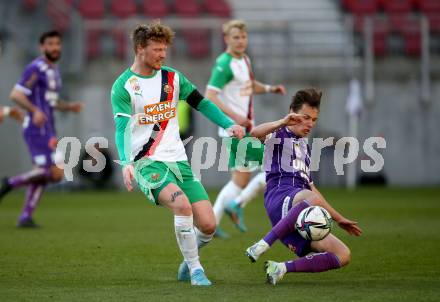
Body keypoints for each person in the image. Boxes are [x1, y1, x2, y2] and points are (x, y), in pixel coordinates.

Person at [110, 22, 244, 286]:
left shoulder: (173, 78)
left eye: (164, 49)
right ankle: (197, 270)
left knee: (208, 225)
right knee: (181, 205)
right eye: (157, 49)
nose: (163, 54)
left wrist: (228, 124)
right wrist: (126, 162)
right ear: (140, 49)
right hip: (147, 163)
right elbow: (122, 128)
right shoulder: (124, 86)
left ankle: (187, 260)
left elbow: (202, 103)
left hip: (179, 161)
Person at [245, 88, 362, 285]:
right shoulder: (279, 134)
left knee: (343, 254)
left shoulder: (305, 149)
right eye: (305, 117)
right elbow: (254, 134)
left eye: (313, 120)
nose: (309, 124)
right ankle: (262, 244)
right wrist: (282, 121)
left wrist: (340, 219)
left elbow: (312, 190)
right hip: (279, 198)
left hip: (299, 210)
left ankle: (280, 268)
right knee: (311, 198)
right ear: (293, 112)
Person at [205, 20, 286, 238]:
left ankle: (209, 225)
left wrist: (270, 88)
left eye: (243, 37)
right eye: (235, 37)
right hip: (237, 131)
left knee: (239, 181)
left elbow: (249, 85)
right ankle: (237, 205)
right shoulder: (224, 63)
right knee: (276, 163)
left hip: (239, 131)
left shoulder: (245, 60)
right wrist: (236, 117)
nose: (240, 41)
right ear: (226, 39)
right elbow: (210, 97)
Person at [0, 30, 82, 227]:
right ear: (42, 47)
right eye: (50, 44)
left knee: (51, 174)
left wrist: (68, 107)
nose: (54, 47)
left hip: (48, 128)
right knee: (53, 171)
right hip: (36, 128)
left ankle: (25, 217)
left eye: (57, 44)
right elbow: (16, 94)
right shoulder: (35, 68)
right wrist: (34, 110)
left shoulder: (53, 70)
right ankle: (10, 183)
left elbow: (51, 101)